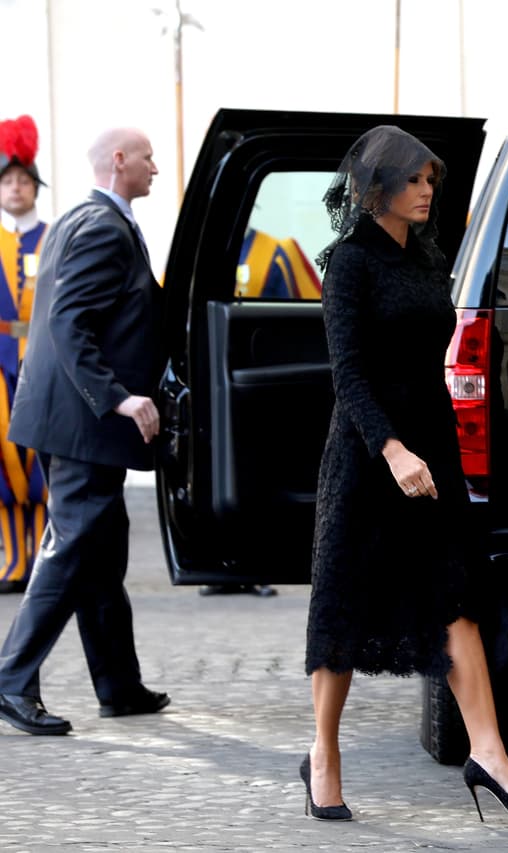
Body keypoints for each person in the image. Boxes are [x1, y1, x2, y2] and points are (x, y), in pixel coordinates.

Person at [301, 125, 508, 821]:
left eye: (429, 180)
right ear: (375, 186)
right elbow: (348, 376)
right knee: (342, 613)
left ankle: (490, 753)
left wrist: (435, 450)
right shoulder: (349, 263)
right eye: (413, 180)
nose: (426, 191)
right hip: (367, 456)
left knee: (455, 599)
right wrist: (393, 450)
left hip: (433, 451)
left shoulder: (426, 257)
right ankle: (323, 755)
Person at [0, 127, 169, 735]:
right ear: (119, 161)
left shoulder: (79, 219)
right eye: (147, 156)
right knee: (72, 546)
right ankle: (11, 678)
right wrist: (119, 400)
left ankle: (118, 685)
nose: (156, 165)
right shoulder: (101, 226)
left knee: (101, 551)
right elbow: (71, 323)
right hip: (85, 424)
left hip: (66, 420)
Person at [197, 225, 322, 597]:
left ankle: (257, 563)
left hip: (257, 379)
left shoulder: (275, 252)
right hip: (211, 382)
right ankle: (220, 564)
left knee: (256, 469)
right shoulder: (205, 253)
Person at [0, 115, 49, 594]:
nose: (15, 189)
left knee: (39, 458)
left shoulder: (54, 234)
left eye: (23, 180)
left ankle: (40, 556)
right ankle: (13, 558)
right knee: (3, 460)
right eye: (8, 181)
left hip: (42, 360)